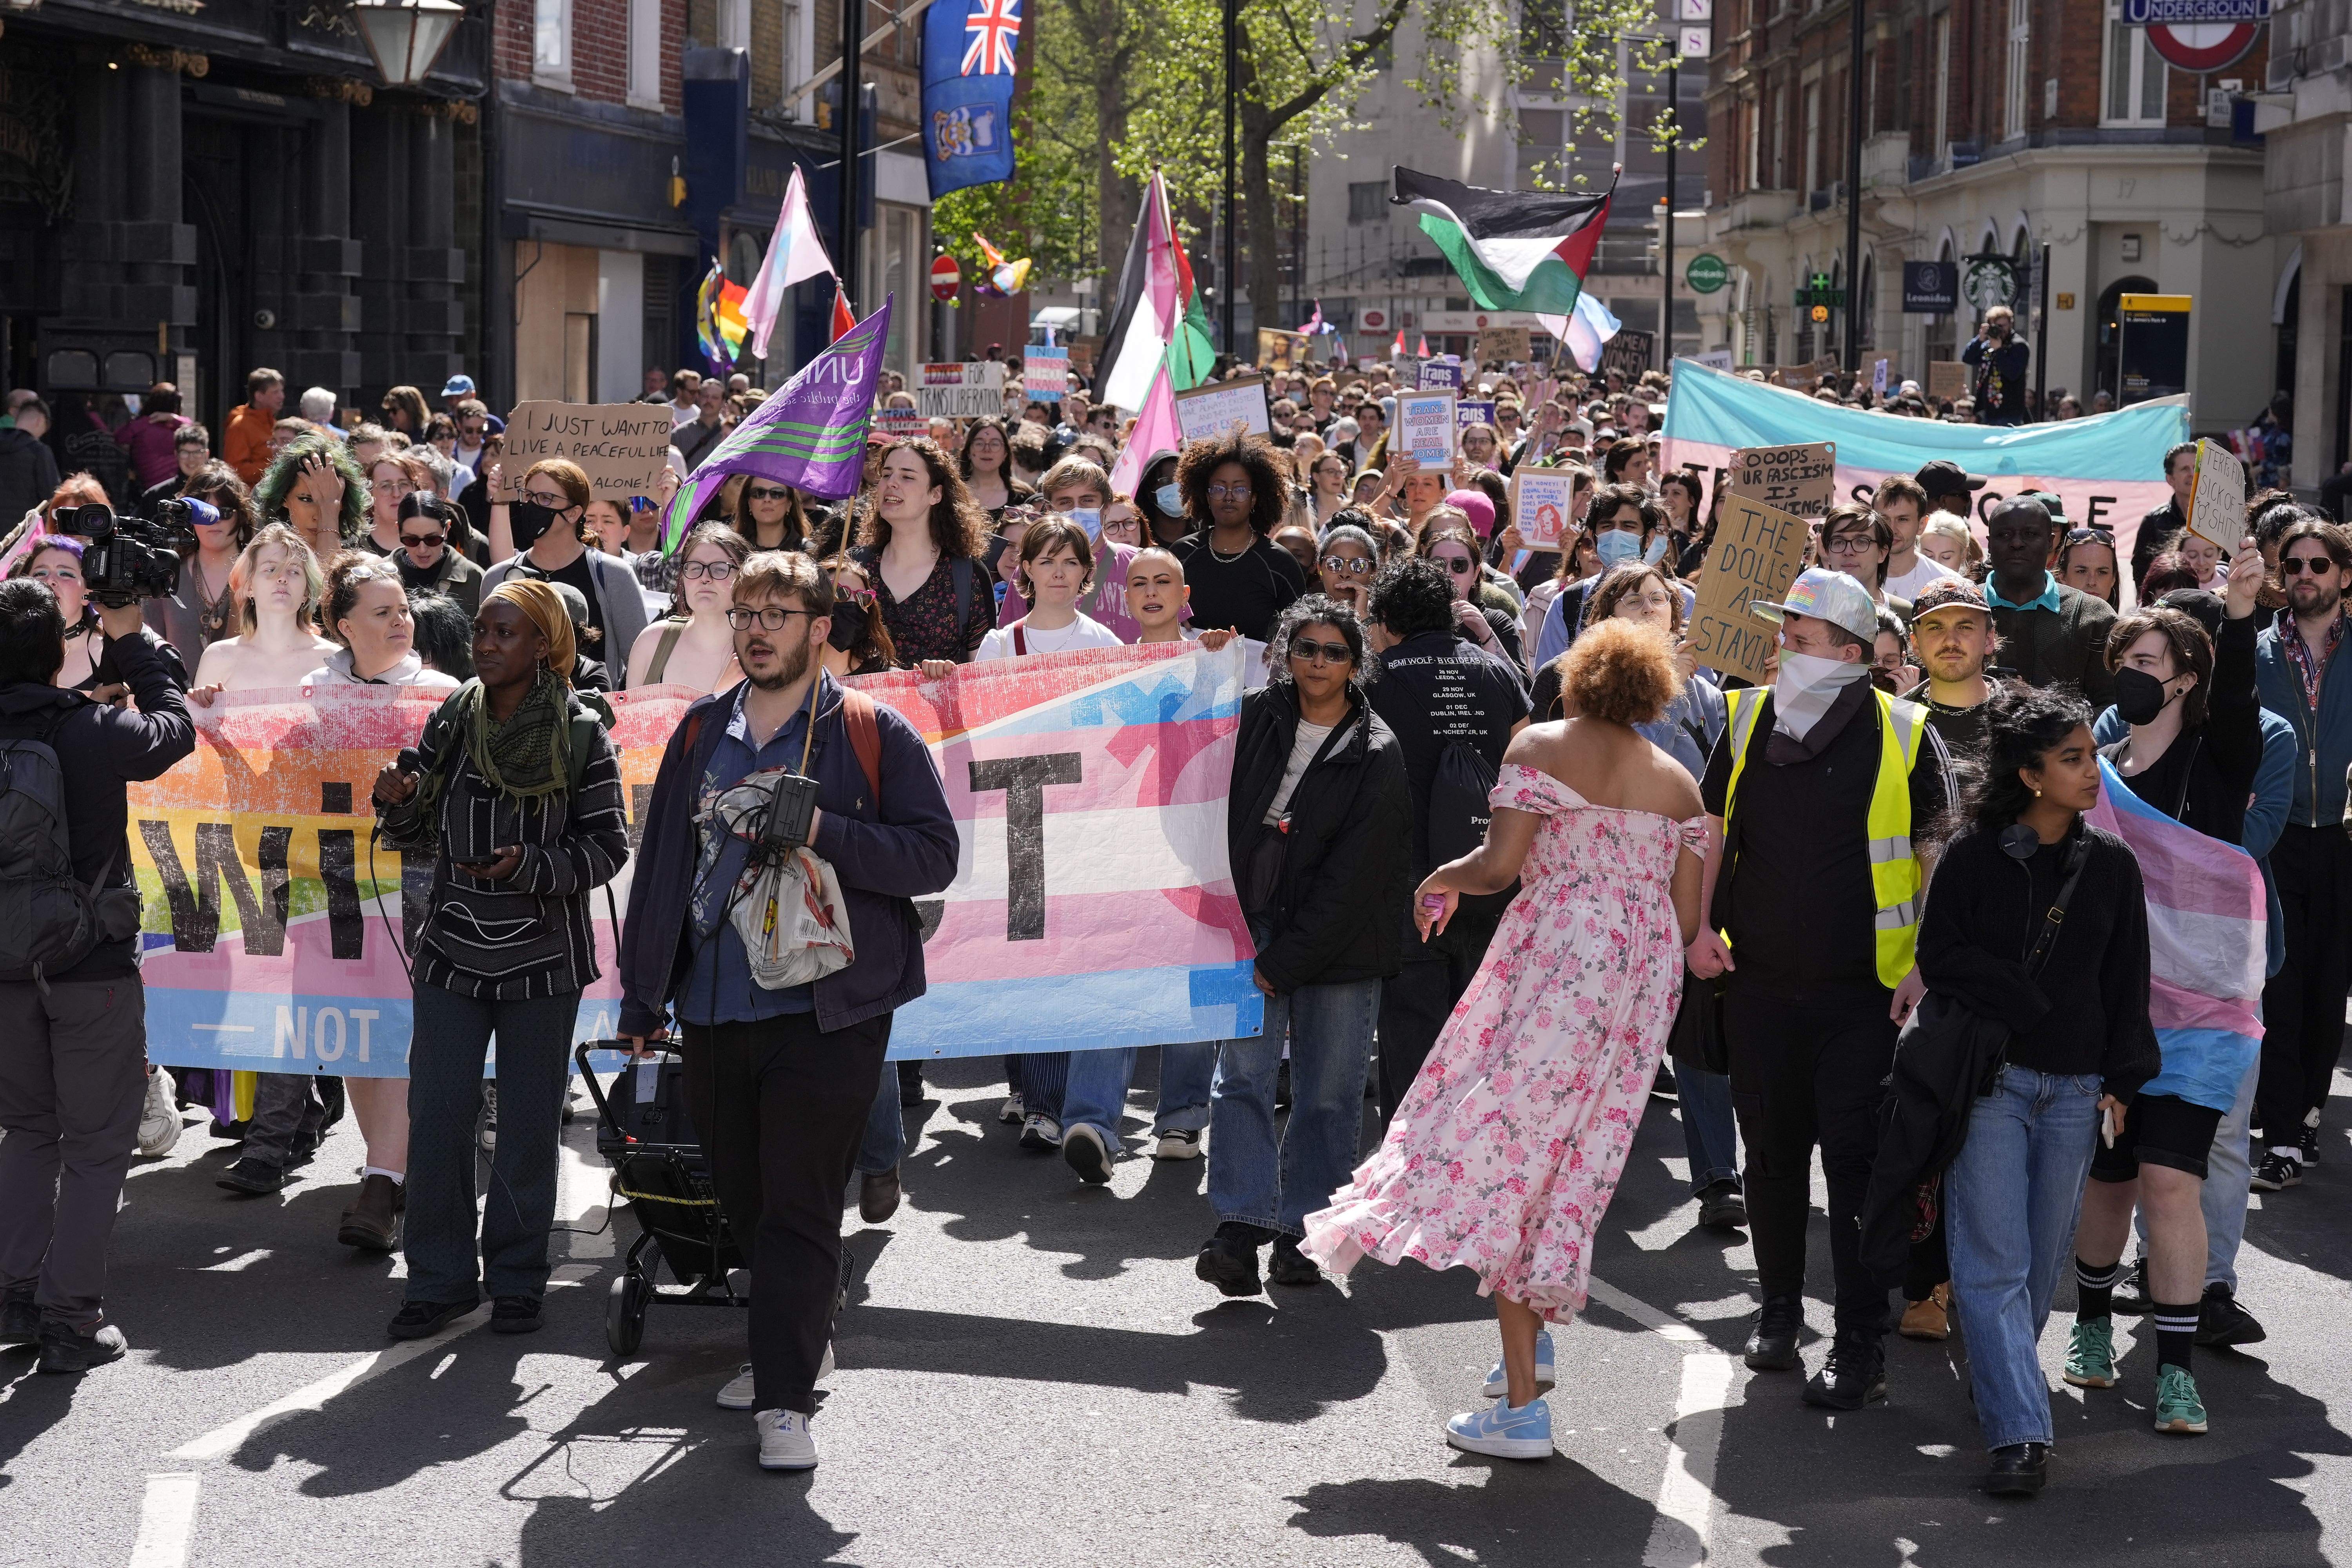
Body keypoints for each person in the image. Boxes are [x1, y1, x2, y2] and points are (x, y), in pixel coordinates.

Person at [1304, 617, 1705, 1459]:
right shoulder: (1679, 783)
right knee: (1571, 1158)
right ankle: (1533, 1344)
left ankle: (1524, 1404)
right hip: (1637, 984)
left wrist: (1440, 874)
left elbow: (1497, 867)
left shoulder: (1540, 747)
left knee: (1506, 1145)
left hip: (1556, 961)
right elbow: (1686, 919)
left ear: (1577, 678)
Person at [617, 551, 955, 1470]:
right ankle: (797, 1335)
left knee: (801, 1205)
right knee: (747, 1199)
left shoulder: (871, 730)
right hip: (717, 1006)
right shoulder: (697, 733)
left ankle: (783, 1395)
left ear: (818, 626)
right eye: (746, 612)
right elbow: (661, 876)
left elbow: (933, 858)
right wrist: (643, 994)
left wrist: (819, 830)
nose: (757, 626)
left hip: (827, 1011)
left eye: (778, 611)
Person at [1686, 566, 1953, 1408]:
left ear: (1848, 650)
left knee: (1856, 1171)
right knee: (1768, 1158)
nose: (1782, 646)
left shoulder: (1908, 730)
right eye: (1782, 634)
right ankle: (1775, 1315)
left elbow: (1939, 851)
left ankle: (1859, 1341)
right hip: (1760, 984)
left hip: (1865, 997)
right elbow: (1710, 830)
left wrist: (1924, 964)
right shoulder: (1744, 716)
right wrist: (1696, 929)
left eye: (1797, 635)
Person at [370, 578, 628, 1341]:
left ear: (543, 647)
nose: (484, 643)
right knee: (439, 1114)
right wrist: (397, 798)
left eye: (504, 633)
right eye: (482, 630)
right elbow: (416, 821)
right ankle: (439, 1280)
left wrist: (526, 864)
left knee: (524, 1126)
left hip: (544, 963)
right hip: (451, 947)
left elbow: (608, 846)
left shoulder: (583, 731)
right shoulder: (453, 715)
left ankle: (517, 1279)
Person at [1920, 684, 2157, 1495]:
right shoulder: (1971, 855)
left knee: (2036, 1263)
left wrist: (2124, 1077)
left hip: (2078, 1090)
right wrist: (2023, 1000)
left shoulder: (2115, 865)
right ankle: (2020, 1430)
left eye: (2092, 754)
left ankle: (2001, 1382)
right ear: (2029, 773)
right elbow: (1941, 954)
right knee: (1993, 1262)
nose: (2094, 770)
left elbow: (2131, 979)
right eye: (2073, 758)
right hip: (1991, 1084)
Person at [2068, 565, 2264, 1439]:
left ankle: (2178, 1373)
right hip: (2112, 1017)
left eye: (2150, 658)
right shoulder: (2095, 773)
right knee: (2109, 1181)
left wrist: (2244, 612)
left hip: (2202, 1019)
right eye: (2126, 657)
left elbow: (2238, 701)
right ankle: (2092, 1324)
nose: (2133, 671)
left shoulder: (2217, 763)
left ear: (2188, 676)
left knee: (2170, 1180)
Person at [0, 575, 194, 1372]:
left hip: (6, 967)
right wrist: (136, 642)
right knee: (99, 1141)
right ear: (55, 652)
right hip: (92, 966)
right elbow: (176, 728)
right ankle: (72, 1317)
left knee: (28, 1132)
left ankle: (15, 1295)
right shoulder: (91, 728)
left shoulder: (74, 717)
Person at [1193, 597, 1410, 1291]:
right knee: (1241, 1082)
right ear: (1286, 652)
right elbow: (1180, 747)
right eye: (1306, 648)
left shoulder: (1378, 751)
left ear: (1356, 664)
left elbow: (1355, 881)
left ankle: (1303, 1234)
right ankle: (1240, 1227)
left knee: (1327, 1095)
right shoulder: (1252, 714)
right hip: (1249, 923)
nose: (1319, 661)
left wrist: (1283, 962)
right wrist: (1205, 668)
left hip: (1340, 947)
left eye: (1335, 651)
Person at [1529, 563, 1742, 1230]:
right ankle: (1570, 1173)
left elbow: (1717, 798)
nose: (1653, 609)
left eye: (1663, 600)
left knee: (1698, 1037)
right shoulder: (1563, 684)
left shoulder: (1707, 696)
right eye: (1635, 599)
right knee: (1591, 1040)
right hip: (1590, 895)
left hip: (1680, 885)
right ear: (1600, 615)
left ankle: (1716, 1179)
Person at [1363, 558, 1531, 1120]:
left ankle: (1409, 1166)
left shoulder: (1375, 677)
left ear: (1385, 619)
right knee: (1483, 1028)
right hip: (1490, 873)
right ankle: (1469, 1170)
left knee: (1411, 1031)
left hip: (1406, 882)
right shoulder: (1498, 672)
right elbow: (1526, 772)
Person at [2252, 518, 2352, 1191]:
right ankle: (2283, 1136)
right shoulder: (2255, 650)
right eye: (2294, 566)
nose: (2305, 576)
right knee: (2280, 986)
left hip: (2346, 838)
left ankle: (2311, 1115)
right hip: (2277, 835)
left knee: (2329, 989)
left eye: (2319, 564)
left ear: (2345, 576)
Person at [482, 459, 652, 684]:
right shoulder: (498, 578)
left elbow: (642, 664)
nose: (533, 505)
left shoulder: (613, 575)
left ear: (573, 514)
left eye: (546, 498)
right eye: (528, 496)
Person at [854, 440, 995, 670]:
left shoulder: (967, 575)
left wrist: (949, 675)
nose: (892, 484)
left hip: (940, 706)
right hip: (863, 705)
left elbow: (983, 674)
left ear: (936, 494)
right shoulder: (854, 568)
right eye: (887, 475)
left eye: (907, 477)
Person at [1170, 431, 1308, 640]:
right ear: (1207, 497)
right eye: (1219, 489)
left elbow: (1302, 630)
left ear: (1254, 500)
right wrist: (1173, 617)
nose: (1229, 497)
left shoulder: (1280, 564)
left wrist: (1279, 648)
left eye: (1240, 490)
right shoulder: (1181, 555)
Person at [1984, 497, 2117, 707]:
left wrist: (2058, 732)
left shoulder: (2096, 618)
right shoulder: (1960, 611)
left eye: (2030, 534)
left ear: (2050, 542)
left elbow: (2110, 709)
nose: (2017, 543)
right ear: (1989, 544)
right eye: (2005, 535)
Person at [190, 524, 344, 697]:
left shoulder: (334, 661)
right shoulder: (217, 658)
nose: (282, 579)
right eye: (270, 569)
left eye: (294, 571)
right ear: (249, 587)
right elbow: (198, 725)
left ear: (306, 592)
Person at [976, 515, 1125, 664]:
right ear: (1029, 569)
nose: (1059, 574)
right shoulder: (998, 646)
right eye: (1047, 562)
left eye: (1071, 563)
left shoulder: (1106, 644)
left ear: (1085, 571)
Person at [626, 523, 751, 692]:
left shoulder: (760, 652)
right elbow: (630, 718)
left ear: (743, 578)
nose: (705, 578)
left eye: (720, 569)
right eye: (695, 568)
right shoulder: (651, 642)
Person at [390, 491, 485, 621]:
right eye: (412, 540)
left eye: (432, 539)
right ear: (399, 531)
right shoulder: (379, 576)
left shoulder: (474, 578)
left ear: (447, 530)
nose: (422, 550)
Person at [1875, 476, 1961, 601]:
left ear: (1922, 525)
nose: (1892, 529)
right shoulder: (1854, 576)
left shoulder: (1948, 584)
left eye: (1903, 520)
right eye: (1884, 519)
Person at [2135, 441, 2198, 592]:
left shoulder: (2219, 517)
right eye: (2185, 469)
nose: (2192, 474)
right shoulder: (2154, 521)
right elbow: (2140, 571)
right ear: (2170, 480)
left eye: (2196, 468)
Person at [113, 384, 189, 492]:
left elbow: (119, 437)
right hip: (165, 487)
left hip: (153, 486)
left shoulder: (141, 425)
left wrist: (172, 418)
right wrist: (174, 419)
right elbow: (194, 431)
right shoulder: (174, 429)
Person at [1962, 306, 2031, 425]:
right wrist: (1979, 339)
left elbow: (2013, 374)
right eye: (1996, 326)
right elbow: (1967, 358)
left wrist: (1999, 350)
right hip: (1985, 411)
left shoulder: (2019, 346)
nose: (2001, 330)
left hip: (2008, 413)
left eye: (2003, 326)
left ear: (2011, 324)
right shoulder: (1988, 344)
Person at [359, 450, 434, 556]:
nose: (396, 494)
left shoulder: (433, 542)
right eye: (385, 486)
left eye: (404, 484)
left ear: (416, 489)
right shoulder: (354, 545)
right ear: (370, 493)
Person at [958, 418, 1033, 523]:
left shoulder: (1023, 496)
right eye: (980, 443)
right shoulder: (953, 493)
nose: (987, 450)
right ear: (968, 452)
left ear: (1005, 454)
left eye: (995, 444)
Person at [225, 369, 285, 487]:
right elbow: (235, 469)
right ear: (259, 396)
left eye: (282, 391)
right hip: (251, 498)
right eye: (275, 392)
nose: (282, 396)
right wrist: (276, 466)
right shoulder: (240, 425)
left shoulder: (273, 422)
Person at [139, 423, 213, 514]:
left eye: (197, 453)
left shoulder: (217, 492)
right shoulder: (155, 497)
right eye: (185, 453)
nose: (191, 459)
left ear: (207, 455)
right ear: (176, 455)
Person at [2057, 525, 2122, 610]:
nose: (2092, 582)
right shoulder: (2041, 622)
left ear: (2113, 579)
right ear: (2063, 576)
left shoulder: (2123, 623)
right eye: (2082, 571)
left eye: (2102, 572)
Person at [672, 381, 730, 472]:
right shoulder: (679, 434)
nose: (709, 401)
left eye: (715, 398)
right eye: (705, 396)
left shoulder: (733, 433)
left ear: (723, 402)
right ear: (698, 397)